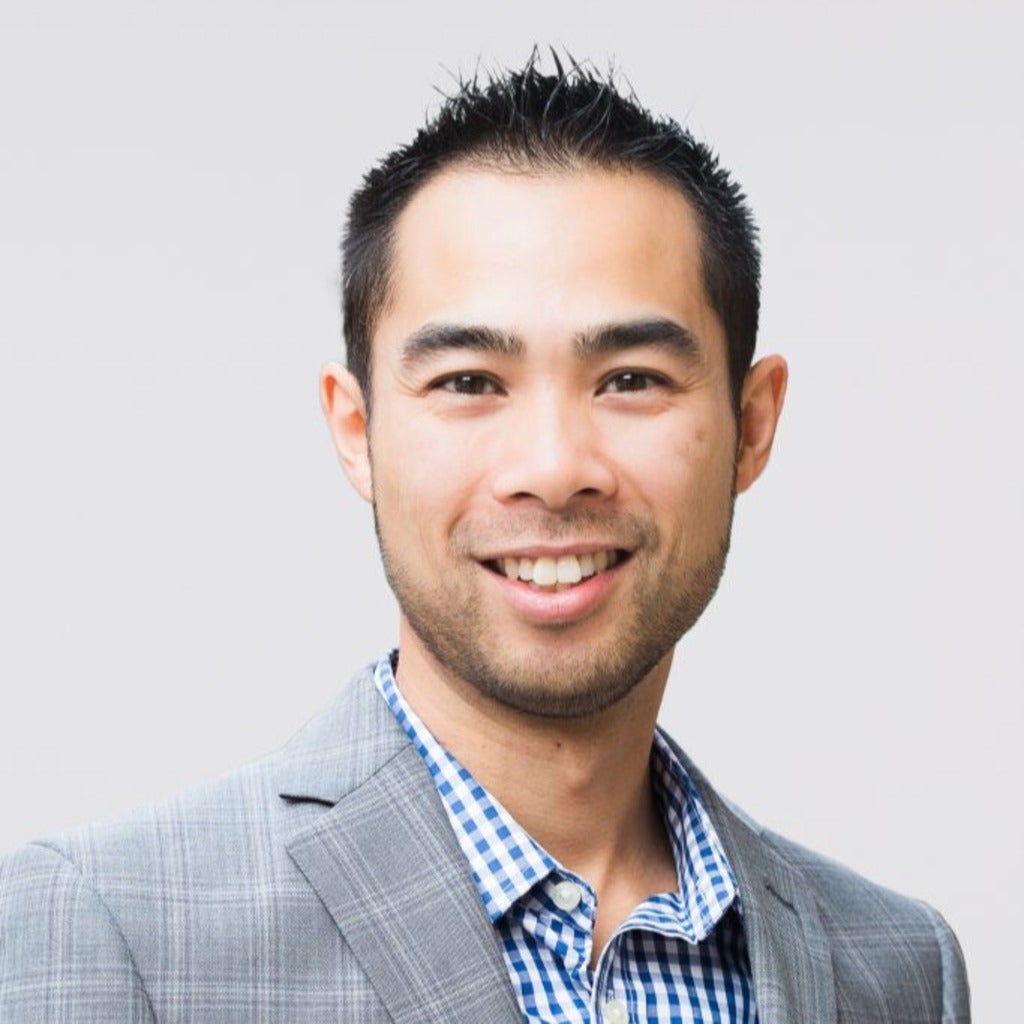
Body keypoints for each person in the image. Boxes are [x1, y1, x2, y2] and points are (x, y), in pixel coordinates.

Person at [0, 53, 969, 1023]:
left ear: (751, 425)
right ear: (357, 432)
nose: (551, 466)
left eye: (630, 377)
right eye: (468, 381)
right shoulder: (114, 926)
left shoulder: (892, 966)